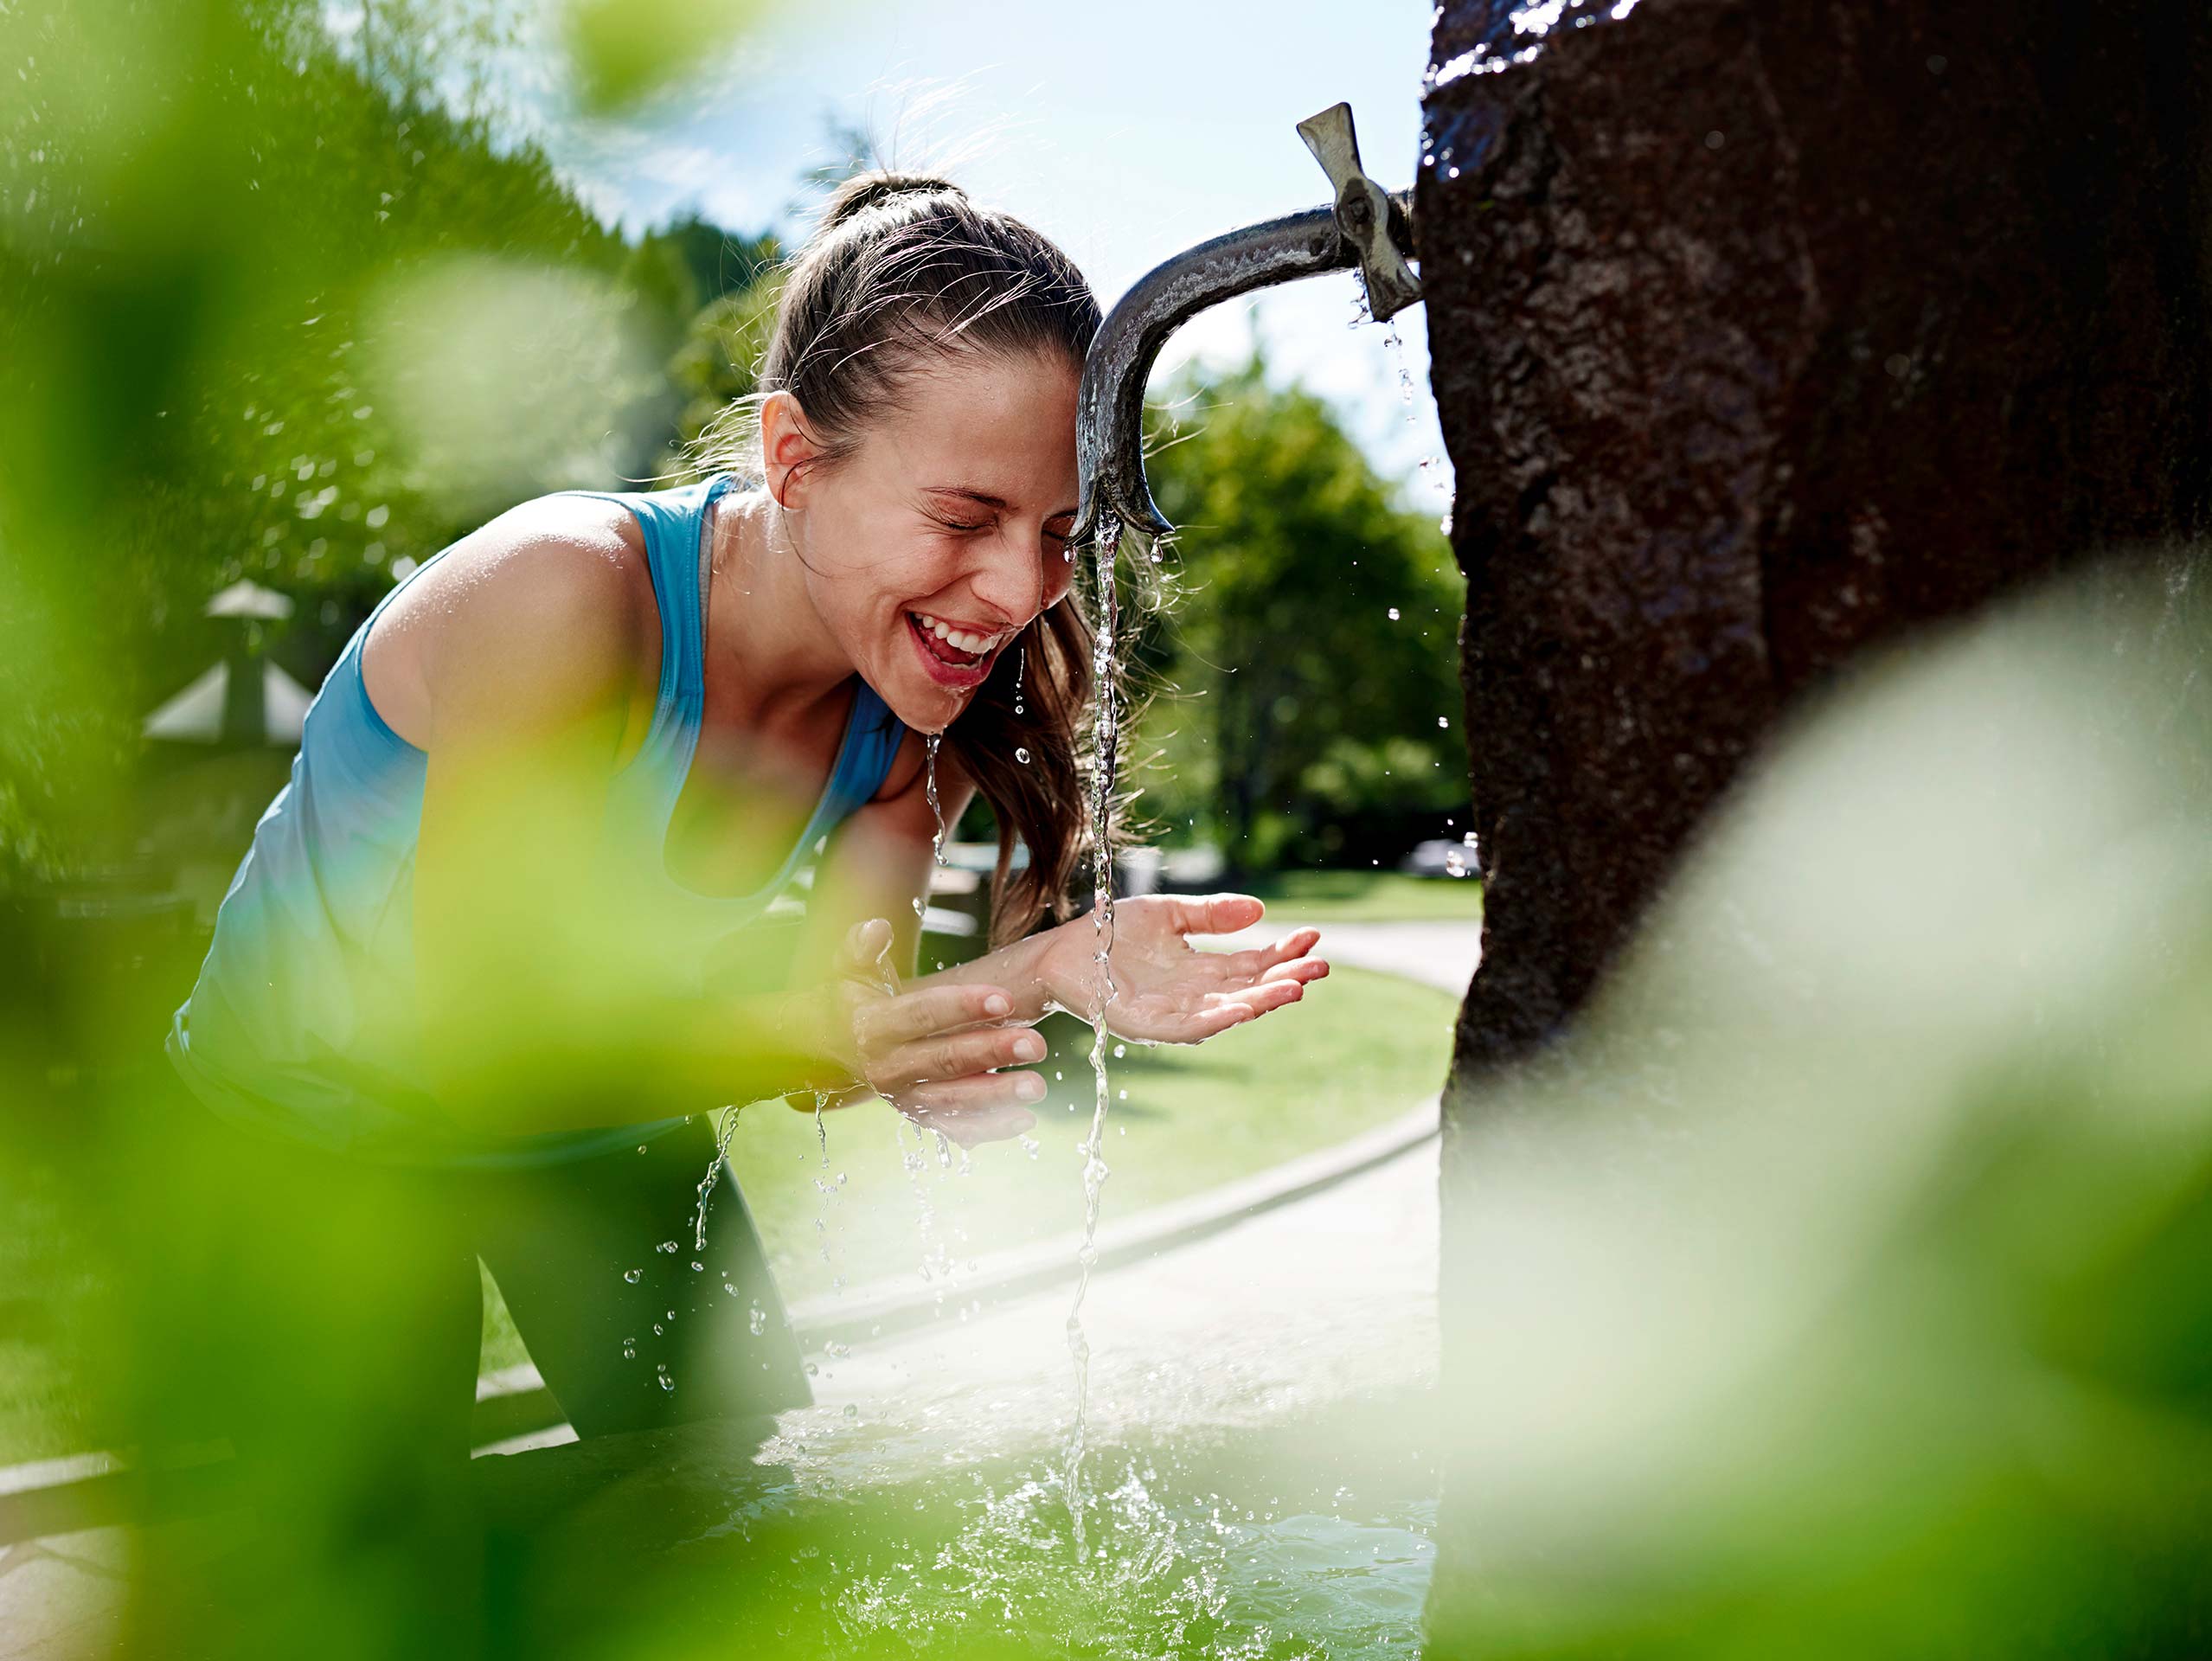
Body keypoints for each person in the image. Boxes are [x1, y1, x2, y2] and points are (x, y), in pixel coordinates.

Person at [126, 170, 1326, 1645]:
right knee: (378, 1599)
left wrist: (1035, 977)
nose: (1017, 588)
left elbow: (822, 1044)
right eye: (964, 515)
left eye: (1057, 532)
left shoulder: (902, 736)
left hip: (600, 1124)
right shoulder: (566, 599)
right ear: (794, 457)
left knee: (740, 1523)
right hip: (308, 1135)